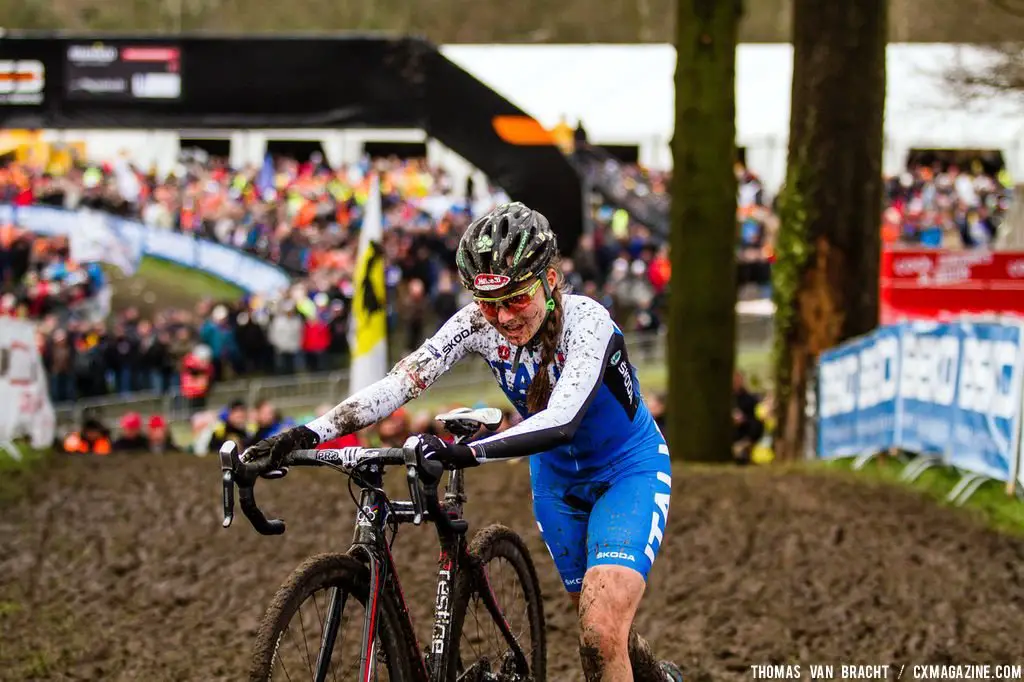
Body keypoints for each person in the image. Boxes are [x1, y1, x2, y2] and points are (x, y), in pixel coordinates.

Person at [242, 202, 682, 682]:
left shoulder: (588, 323)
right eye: (488, 302)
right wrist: (308, 432)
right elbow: (401, 382)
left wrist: (463, 451)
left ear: (551, 282)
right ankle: (654, 673)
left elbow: (562, 421)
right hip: (556, 478)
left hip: (627, 469)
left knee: (598, 632)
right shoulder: (474, 324)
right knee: (597, 622)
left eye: (515, 299)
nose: (502, 317)